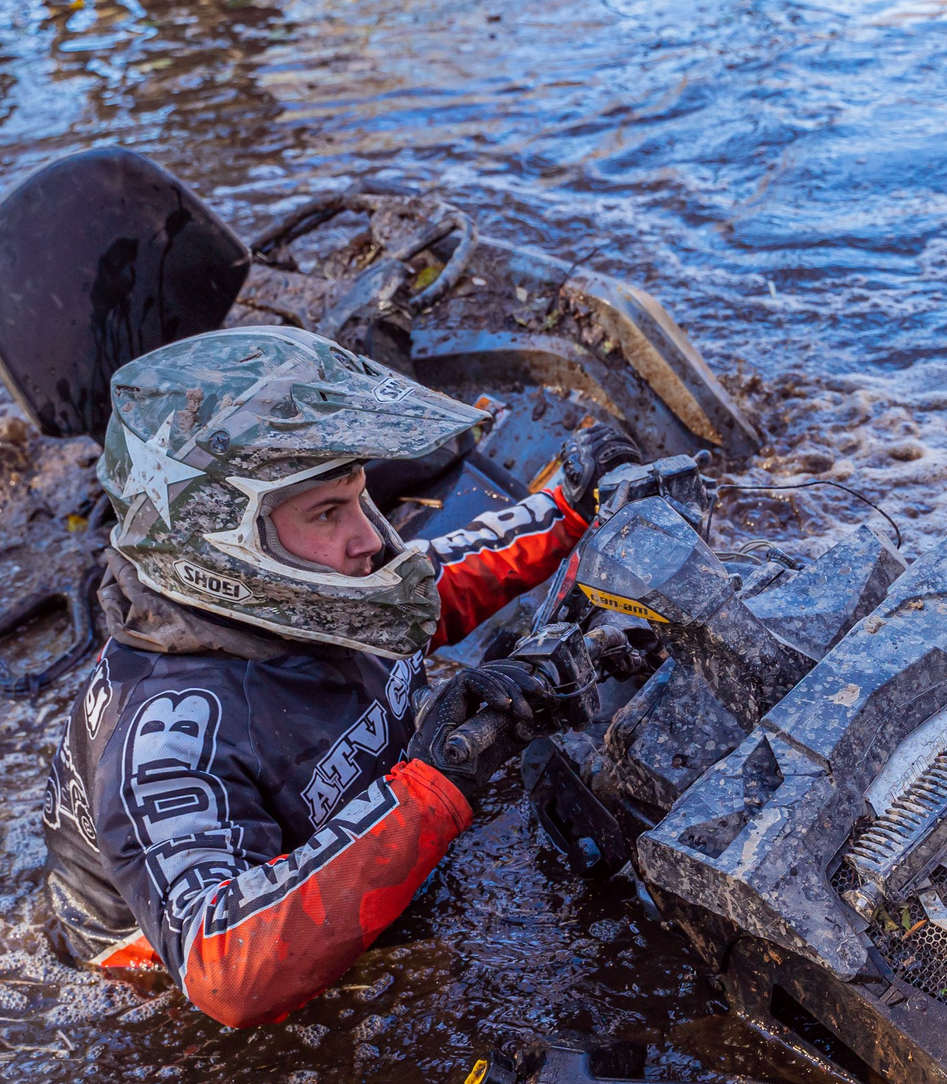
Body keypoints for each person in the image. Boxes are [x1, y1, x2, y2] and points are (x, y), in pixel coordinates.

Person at [41, 325, 634, 1026]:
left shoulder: (320, 586)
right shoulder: (167, 734)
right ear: (228, 545)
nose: (370, 538)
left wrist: (564, 508)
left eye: (359, 495)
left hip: (321, 846)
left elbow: (420, 583)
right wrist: (439, 778)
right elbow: (225, 968)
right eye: (328, 512)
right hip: (152, 991)